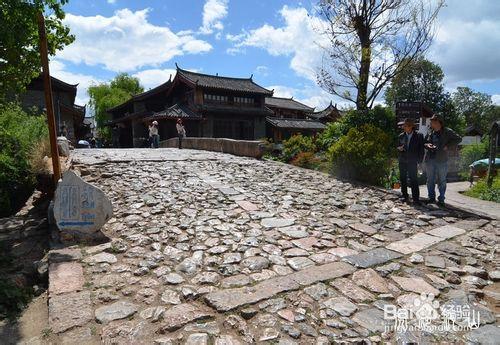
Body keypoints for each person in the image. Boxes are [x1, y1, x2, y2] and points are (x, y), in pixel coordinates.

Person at [424, 115, 461, 206]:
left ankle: (441, 199)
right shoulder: (430, 131)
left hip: (442, 159)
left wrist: (447, 146)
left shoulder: (447, 131)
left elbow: (458, 139)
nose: (431, 123)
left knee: (442, 180)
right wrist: (428, 145)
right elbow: (425, 142)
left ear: (438, 122)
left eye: (432, 121)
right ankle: (431, 198)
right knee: (430, 180)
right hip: (430, 159)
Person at [397, 118, 424, 204]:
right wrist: (399, 149)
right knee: (403, 179)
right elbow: (398, 146)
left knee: (414, 180)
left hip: (413, 161)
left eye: (404, 126)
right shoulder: (401, 135)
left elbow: (421, 150)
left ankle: (416, 199)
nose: (403, 127)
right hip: (402, 160)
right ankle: (404, 196)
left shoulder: (419, 136)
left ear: (410, 126)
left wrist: (419, 162)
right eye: (403, 126)